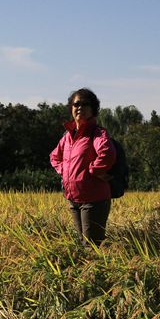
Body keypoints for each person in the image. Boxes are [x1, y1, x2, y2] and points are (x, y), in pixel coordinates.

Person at [50, 87, 117, 245]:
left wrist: (94, 170)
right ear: (71, 108)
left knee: (91, 245)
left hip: (94, 199)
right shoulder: (67, 137)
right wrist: (63, 170)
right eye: (76, 104)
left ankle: (98, 270)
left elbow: (107, 153)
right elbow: (54, 157)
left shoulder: (97, 133)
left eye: (85, 104)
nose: (79, 107)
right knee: (82, 243)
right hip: (74, 199)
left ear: (93, 109)